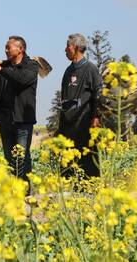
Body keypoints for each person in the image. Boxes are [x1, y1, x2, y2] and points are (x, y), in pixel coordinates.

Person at [0, 36, 38, 181]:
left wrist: (0, 68)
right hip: (5, 119)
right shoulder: (5, 67)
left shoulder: (31, 66)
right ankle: (12, 191)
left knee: (21, 157)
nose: (6, 50)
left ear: (20, 49)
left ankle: (24, 192)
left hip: (22, 119)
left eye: (9, 47)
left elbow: (20, 80)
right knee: (9, 158)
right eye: (5, 47)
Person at [56, 33, 102, 178]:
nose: (65, 49)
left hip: (84, 122)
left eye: (67, 46)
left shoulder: (91, 69)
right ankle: (67, 191)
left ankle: (90, 192)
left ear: (76, 47)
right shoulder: (68, 71)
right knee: (67, 160)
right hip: (67, 124)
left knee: (86, 159)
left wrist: (96, 117)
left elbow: (98, 95)